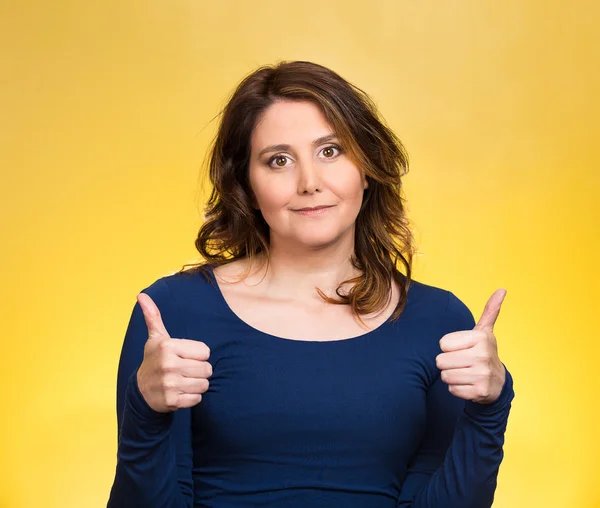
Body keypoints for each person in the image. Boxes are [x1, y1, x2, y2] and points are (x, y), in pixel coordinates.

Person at [107, 60, 515, 508]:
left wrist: (490, 407)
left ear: (367, 165)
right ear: (246, 182)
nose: (309, 183)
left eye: (330, 151)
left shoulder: (440, 321)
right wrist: (144, 410)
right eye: (278, 160)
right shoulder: (173, 312)